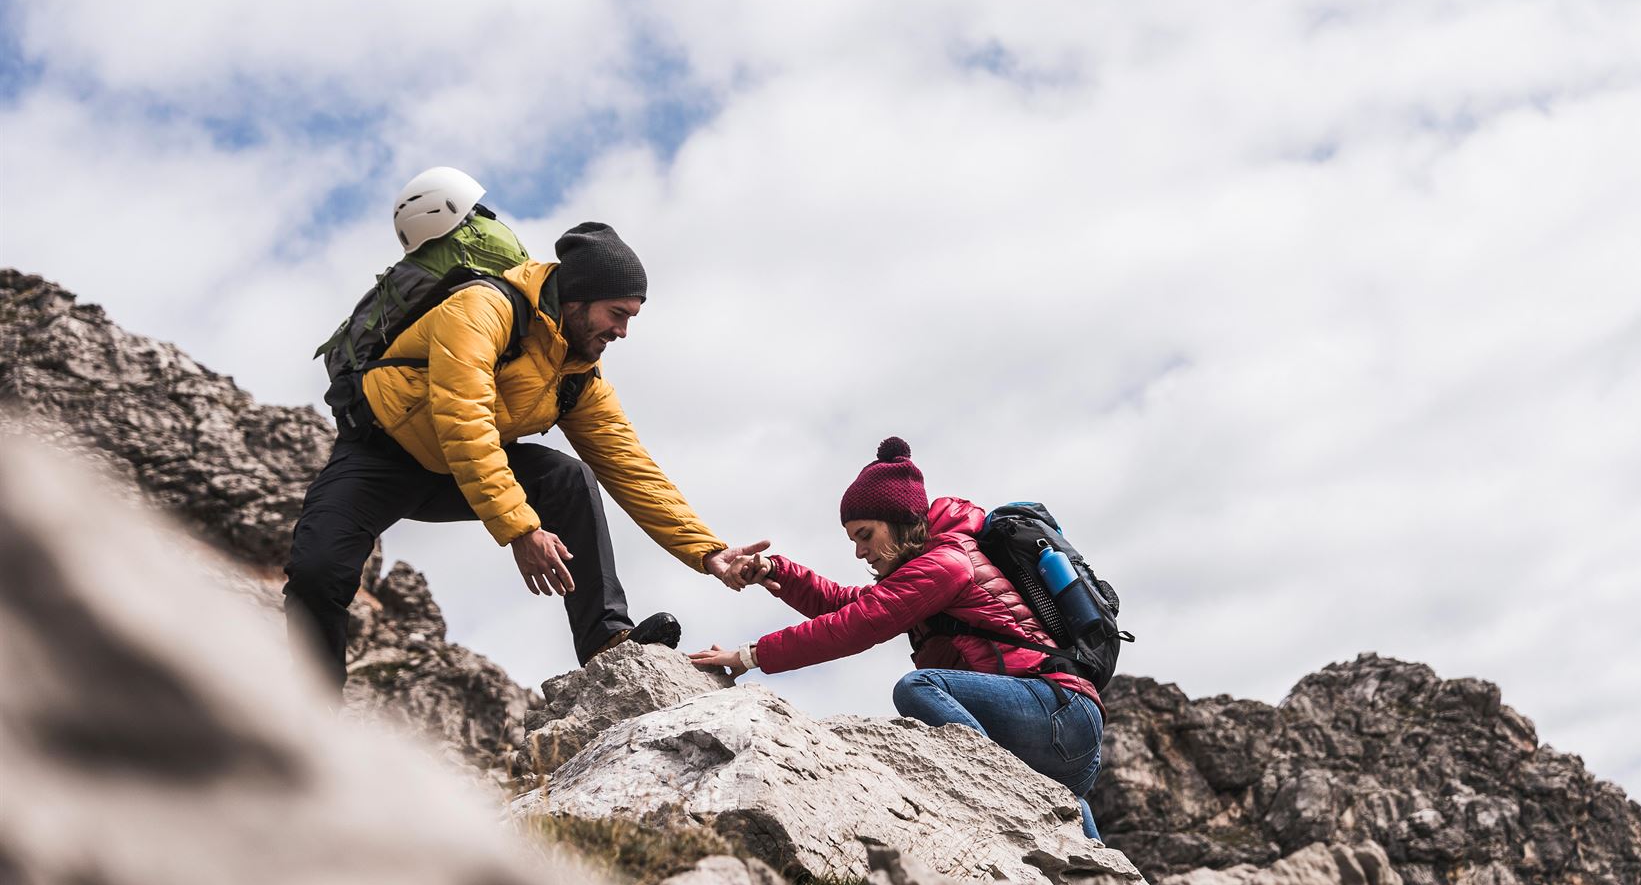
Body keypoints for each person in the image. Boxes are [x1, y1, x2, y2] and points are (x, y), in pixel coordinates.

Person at [285, 191, 763, 690]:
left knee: (566, 478)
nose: (622, 331)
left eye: (630, 318)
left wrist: (709, 552)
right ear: (578, 297)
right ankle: (314, 715)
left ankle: (606, 638)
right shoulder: (481, 309)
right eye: (616, 313)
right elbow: (463, 419)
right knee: (317, 571)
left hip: (459, 473)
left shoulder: (579, 374)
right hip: (379, 458)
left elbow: (631, 466)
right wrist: (520, 530)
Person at [688, 438, 1105, 839]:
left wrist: (750, 655)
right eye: (853, 540)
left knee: (918, 688)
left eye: (865, 535)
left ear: (899, 520)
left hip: (1058, 711)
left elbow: (857, 625)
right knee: (1074, 825)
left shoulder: (947, 563)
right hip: (1063, 733)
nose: (859, 552)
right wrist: (776, 570)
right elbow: (844, 605)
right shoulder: (928, 567)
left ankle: (991, 789)